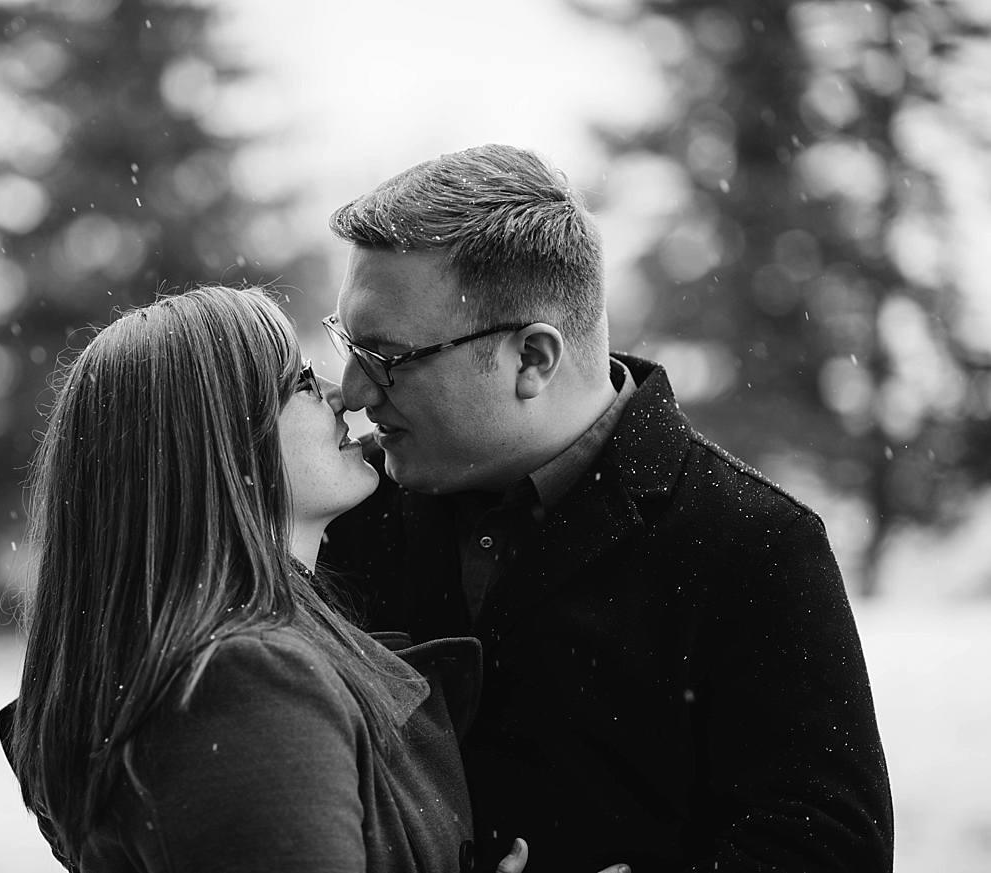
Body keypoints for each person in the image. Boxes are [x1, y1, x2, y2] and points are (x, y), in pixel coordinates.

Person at [319, 144, 894, 873]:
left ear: (533, 358)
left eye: (387, 358)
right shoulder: (341, 512)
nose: (353, 390)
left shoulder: (757, 545)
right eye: (347, 341)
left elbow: (832, 848)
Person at [0, 286, 567, 873]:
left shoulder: (225, 661)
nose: (341, 395)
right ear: (219, 444)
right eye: (299, 382)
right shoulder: (244, 680)